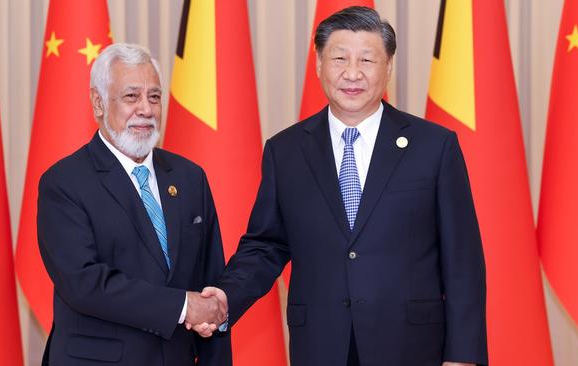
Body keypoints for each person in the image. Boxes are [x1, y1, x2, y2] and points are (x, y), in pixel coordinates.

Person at [200, 6, 487, 366]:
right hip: (320, 344)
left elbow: (462, 260)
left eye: (367, 59)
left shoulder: (434, 146)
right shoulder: (285, 151)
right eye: (339, 58)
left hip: (411, 346)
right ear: (319, 64)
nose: (352, 73)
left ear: (388, 67)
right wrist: (227, 296)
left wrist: (463, 355)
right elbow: (265, 245)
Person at [37, 43, 231, 366]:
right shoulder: (64, 183)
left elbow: (210, 283)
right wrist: (183, 306)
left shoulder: (189, 177)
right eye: (131, 97)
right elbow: (85, 283)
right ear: (98, 103)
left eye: (154, 97)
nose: (145, 109)